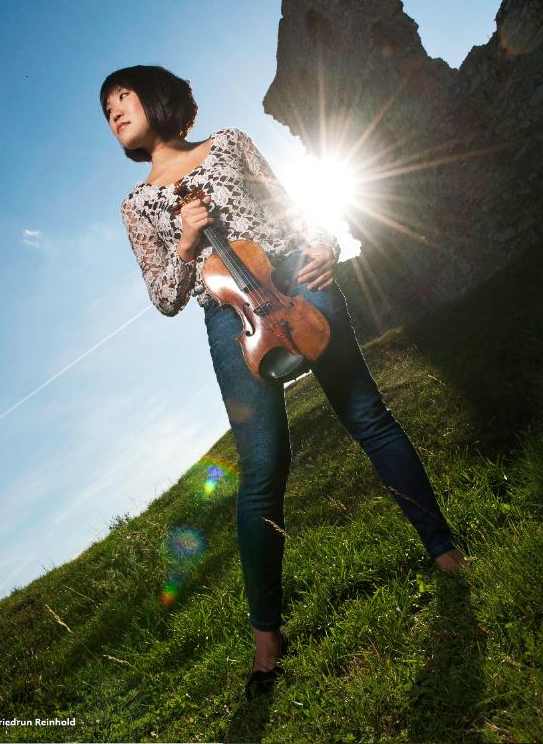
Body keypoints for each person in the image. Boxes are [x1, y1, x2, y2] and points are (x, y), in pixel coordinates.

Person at [100, 64, 468, 699]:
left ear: (156, 96)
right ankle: (267, 639)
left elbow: (286, 204)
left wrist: (324, 244)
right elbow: (163, 296)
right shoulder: (136, 206)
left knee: (367, 416)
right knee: (262, 469)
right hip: (230, 319)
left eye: (122, 97)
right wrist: (186, 243)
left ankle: (445, 551)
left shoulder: (230, 142)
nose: (113, 113)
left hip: (295, 279)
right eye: (107, 111)